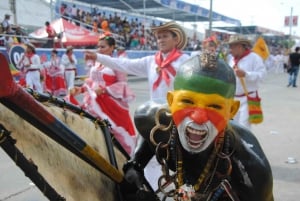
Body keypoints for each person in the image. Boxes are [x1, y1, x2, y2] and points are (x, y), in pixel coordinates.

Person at [121, 52, 274, 201]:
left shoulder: (250, 166)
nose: (199, 118)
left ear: (231, 111)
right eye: (187, 102)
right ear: (171, 101)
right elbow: (149, 129)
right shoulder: (149, 117)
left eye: (214, 106)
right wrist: (136, 164)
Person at [84, 21, 190, 190]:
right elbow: (123, 65)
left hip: (178, 119)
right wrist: (98, 57)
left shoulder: (186, 62)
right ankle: (150, 191)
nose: (161, 40)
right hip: (154, 119)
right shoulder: (151, 62)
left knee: (183, 163)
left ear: (176, 39)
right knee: (146, 160)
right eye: (159, 37)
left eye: (165, 36)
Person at [69, 35, 136, 155]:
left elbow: (122, 84)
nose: (99, 49)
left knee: (114, 134)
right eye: (98, 46)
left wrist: (105, 90)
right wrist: (80, 89)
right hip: (93, 101)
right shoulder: (96, 64)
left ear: (112, 48)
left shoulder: (117, 64)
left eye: (103, 46)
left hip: (110, 104)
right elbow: (91, 81)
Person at [227, 35, 266, 130]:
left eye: (232, 47)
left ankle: (245, 145)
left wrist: (246, 74)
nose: (230, 50)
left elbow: (262, 76)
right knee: (232, 126)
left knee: (244, 128)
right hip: (233, 99)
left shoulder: (255, 58)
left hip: (248, 99)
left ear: (240, 46)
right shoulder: (231, 60)